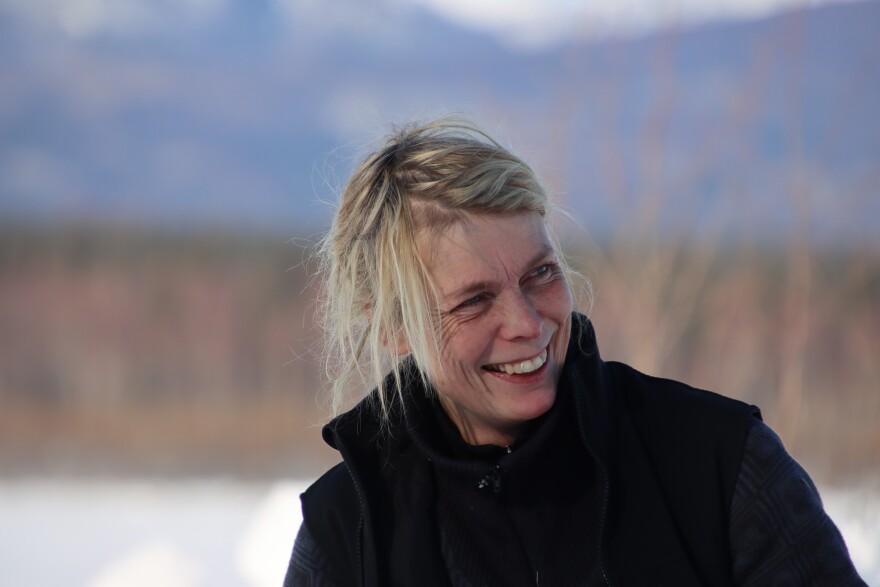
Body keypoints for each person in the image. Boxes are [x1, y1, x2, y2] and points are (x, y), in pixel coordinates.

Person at [284, 119, 864, 586]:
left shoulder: (717, 464)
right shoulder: (347, 535)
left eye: (540, 274)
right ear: (393, 326)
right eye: (475, 301)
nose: (527, 323)